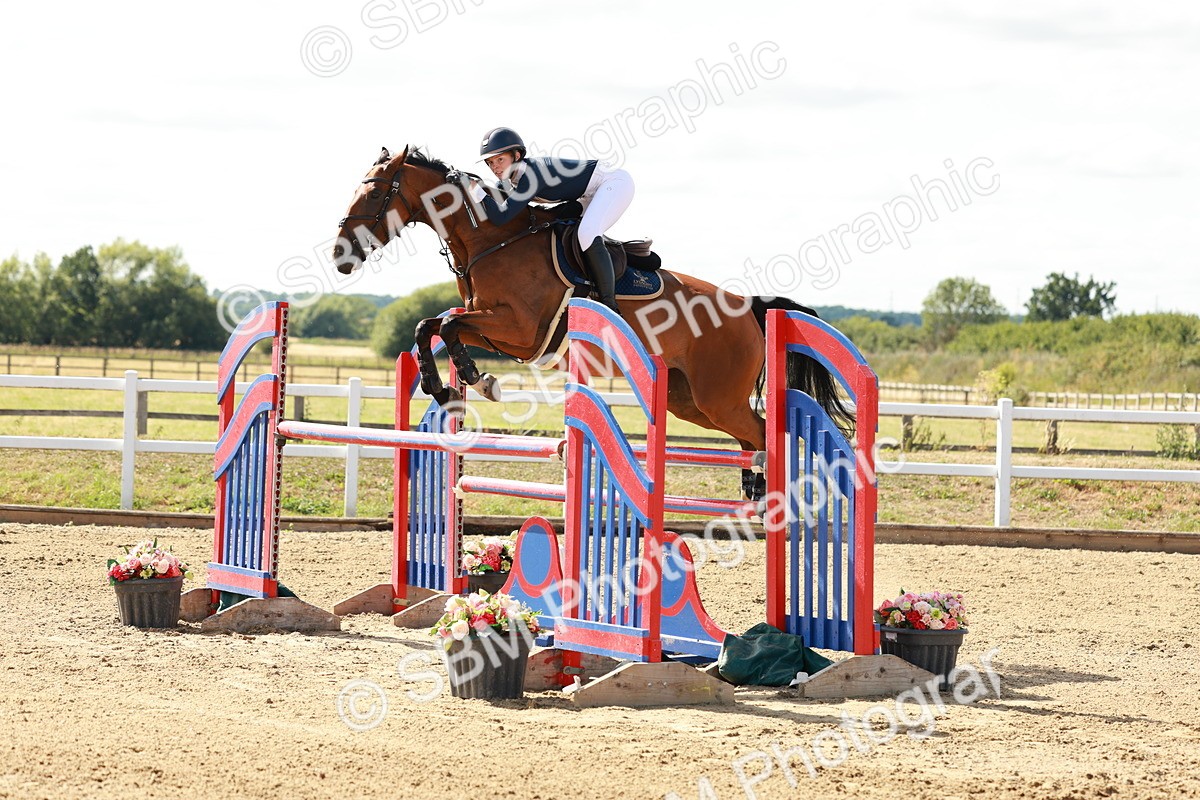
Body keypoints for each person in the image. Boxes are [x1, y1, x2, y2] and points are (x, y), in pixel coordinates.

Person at [466, 127, 633, 315]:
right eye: (490, 162)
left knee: (586, 233)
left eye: (500, 159)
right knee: (555, 226)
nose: (495, 167)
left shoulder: (532, 174)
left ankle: (610, 307)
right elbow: (496, 205)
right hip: (585, 195)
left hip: (612, 183)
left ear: (517, 155)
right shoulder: (510, 180)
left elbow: (501, 216)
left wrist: (475, 189)